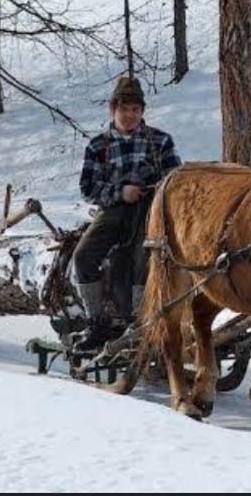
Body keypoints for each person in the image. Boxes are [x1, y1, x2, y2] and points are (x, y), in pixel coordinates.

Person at [72, 76, 181, 351]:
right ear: (113, 110)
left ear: (142, 111)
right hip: (113, 210)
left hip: (150, 210)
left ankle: (140, 322)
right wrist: (120, 193)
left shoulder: (160, 141)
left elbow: (175, 180)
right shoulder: (98, 146)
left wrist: (152, 188)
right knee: (84, 256)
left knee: (142, 258)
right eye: (124, 110)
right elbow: (88, 188)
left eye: (135, 110)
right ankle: (96, 321)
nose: (130, 115)